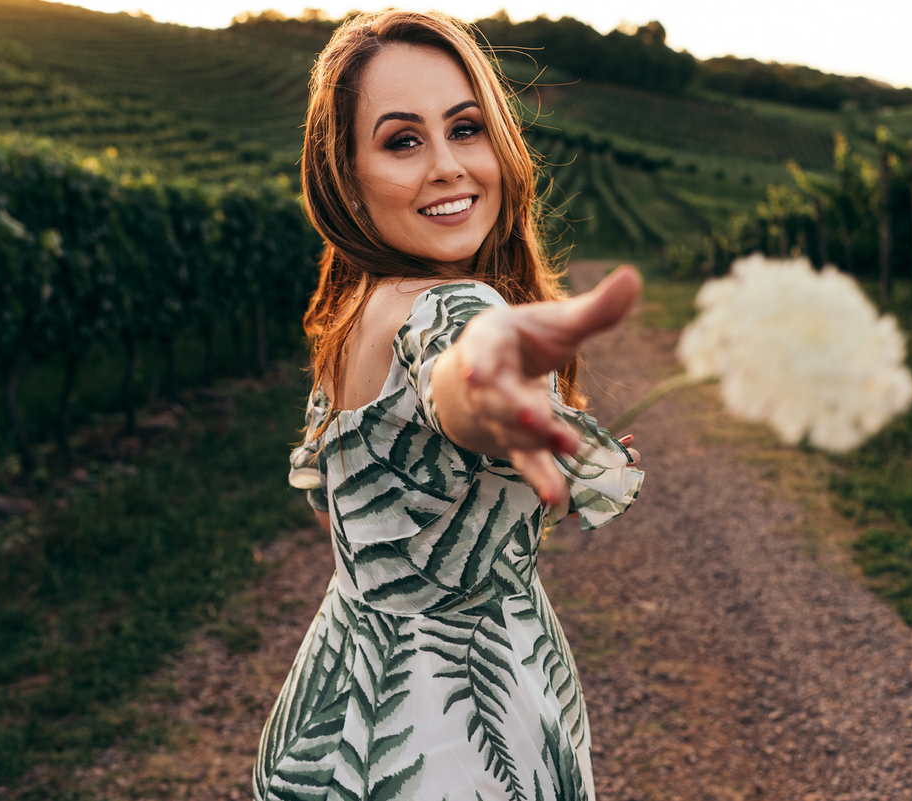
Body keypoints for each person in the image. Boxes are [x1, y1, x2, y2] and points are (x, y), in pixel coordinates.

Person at [253, 10, 644, 800]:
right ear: (346, 175)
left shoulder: (354, 308)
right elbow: (459, 368)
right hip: (457, 744)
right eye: (402, 140)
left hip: (333, 728)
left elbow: (346, 513)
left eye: (464, 128)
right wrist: (487, 397)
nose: (446, 165)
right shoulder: (454, 308)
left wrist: (491, 492)